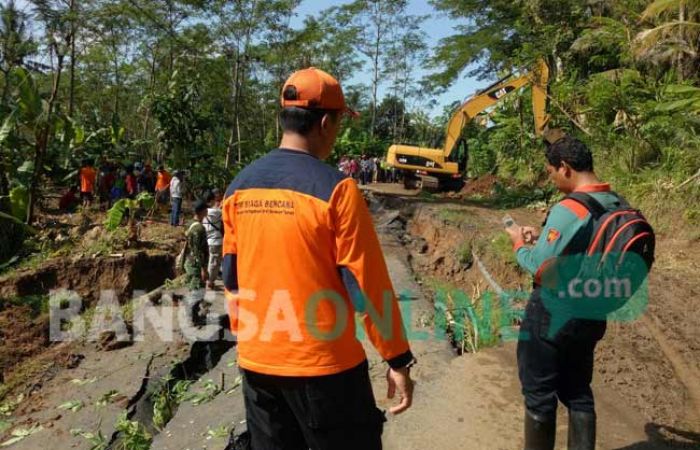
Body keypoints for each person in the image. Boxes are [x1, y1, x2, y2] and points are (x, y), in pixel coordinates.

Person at [222, 67, 415, 450]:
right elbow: (366, 285)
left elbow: (231, 277)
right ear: (326, 122)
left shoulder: (238, 187)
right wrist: (397, 359)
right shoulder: (337, 190)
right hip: (325, 368)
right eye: (340, 122)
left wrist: (256, 341)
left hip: (258, 364)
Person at [505, 136, 627, 450]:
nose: (552, 178)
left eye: (551, 172)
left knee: (539, 395)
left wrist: (519, 242)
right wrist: (543, 233)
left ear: (565, 167)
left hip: (552, 312)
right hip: (592, 312)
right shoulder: (615, 202)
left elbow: (541, 267)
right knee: (578, 391)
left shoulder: (570, 207)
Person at [184, 199, 210, 290]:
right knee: (196, 293)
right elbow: (198, 250)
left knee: (191, 290)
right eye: (206, 209)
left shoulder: (189, 224)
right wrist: (203, 269)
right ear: (202, 211)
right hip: (196, 266)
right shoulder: (200, 229)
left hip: (189, 261)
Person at [203, 189, 224, 290]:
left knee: (208, 260)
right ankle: (210, 282)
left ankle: (205, 279)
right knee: (214, 262)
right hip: (216, 241)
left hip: (206, 240)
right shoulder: (216, 212)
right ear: (212, 200)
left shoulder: (202, 211)